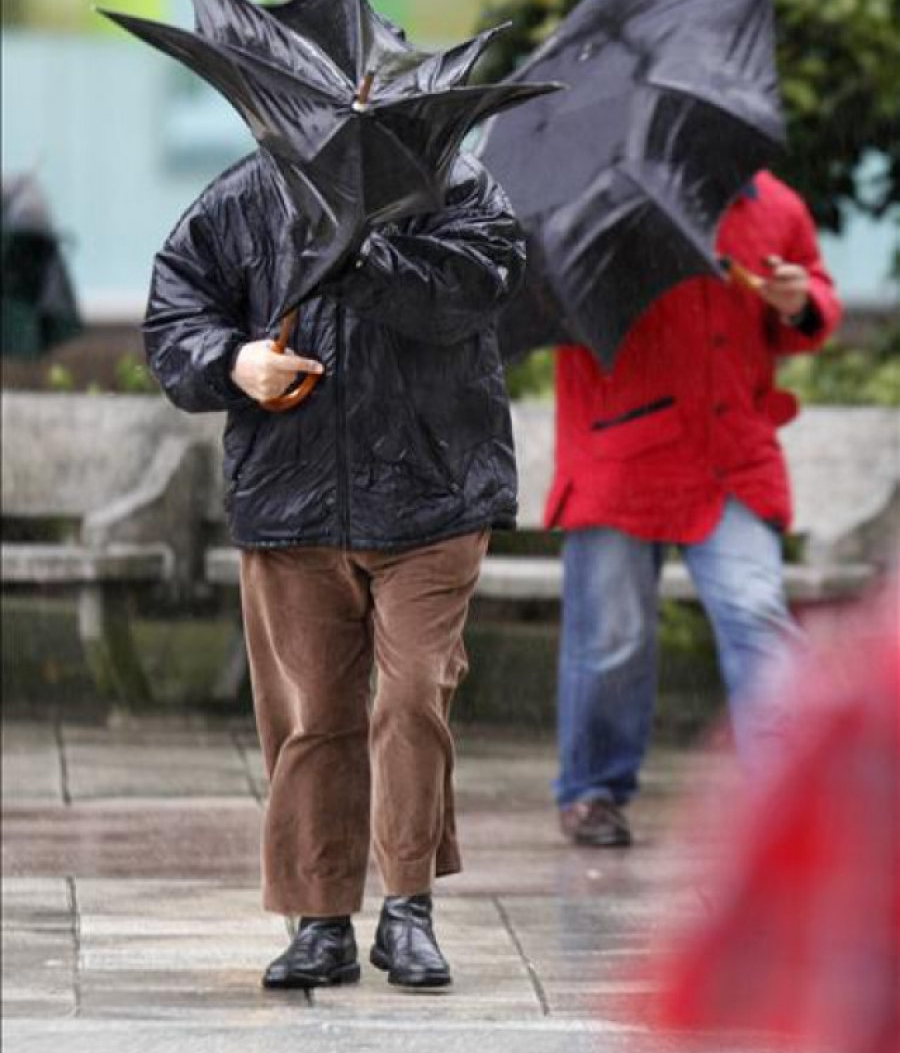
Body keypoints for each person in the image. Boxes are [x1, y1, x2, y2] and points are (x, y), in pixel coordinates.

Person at [143, 147, 524, 989]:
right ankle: (320, 921)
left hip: (435, 494)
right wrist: (235, 363)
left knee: (413, 693)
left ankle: (408, 911)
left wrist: (359, 251)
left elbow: (476, 287)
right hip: (293, 499)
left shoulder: (457, 188)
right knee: (314, 715)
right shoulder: (245, 195)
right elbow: (174, 317)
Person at [545, 170, 842, 848]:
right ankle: (593, 790)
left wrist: (799, 302)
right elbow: (549, 300)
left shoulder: (775, 204)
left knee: (757, 614)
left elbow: (813, 306)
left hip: (730, 458)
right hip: (621, 455)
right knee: (612, 637)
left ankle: (789, 795)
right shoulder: (590, 200)